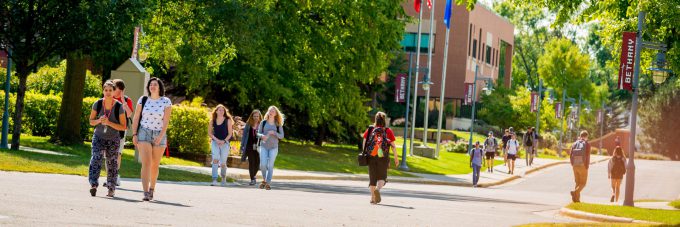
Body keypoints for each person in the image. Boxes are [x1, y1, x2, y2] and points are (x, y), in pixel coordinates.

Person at [132, 77, 173, 201]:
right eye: (151, 85)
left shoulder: (166, 101)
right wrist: (134, 134)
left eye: (155, 84)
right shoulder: (143, 100)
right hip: (144, 132)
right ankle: (145, 192)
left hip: (159, 134)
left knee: (155, 164)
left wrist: (160, 136)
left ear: (159, 87)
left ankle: (152, 189)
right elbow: (136, 117)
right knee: (146, 163)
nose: (152, 86)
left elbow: (166, 120)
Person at [88, 80, 127, 197]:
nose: (108, 92)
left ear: (114, 91)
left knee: (112, 163)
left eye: (110, 90)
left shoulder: (119, 107)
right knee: (96, 157)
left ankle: (111, 187)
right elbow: (91, 121)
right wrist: (99, 120)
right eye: (106, 90)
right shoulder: (98, 104)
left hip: (113, 139)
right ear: (103, 91)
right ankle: (93, 185)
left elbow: (123, 126)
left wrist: (109, 122)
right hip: (98, 137)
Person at [362, 112, 399, 204]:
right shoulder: (388, 131)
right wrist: (396, 158)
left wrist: (366, 153)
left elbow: (364, 143)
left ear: (375, 119)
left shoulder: (370, 129)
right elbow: (393, 146)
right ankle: (378, 189)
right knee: (382, 178)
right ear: (384, 120)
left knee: (372, 178)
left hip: (371, 156)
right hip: (383, 157)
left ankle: (372, 198)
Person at [104, 79, 134, 187]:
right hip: (108, 129)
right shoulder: (108, 98)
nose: (113, 89)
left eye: (115, 88)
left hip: (121, 130)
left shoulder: (127, 100)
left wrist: (123, 102)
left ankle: (115, 177)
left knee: (117, 153)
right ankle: (109, 177)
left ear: (121, 90)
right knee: (107, 153)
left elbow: (129, 114)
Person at [257, 106, 285, 190]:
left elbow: (282, 136)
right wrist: (262, 136)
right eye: (270, 110)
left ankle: (268, 182)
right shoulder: (263, 122)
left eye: (273, 111)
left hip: (273, 147)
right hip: (264, 146)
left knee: (270, 165)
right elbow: (258, 133)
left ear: (276, 114)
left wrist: (274, 133)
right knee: (263, 164)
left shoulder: (277, 124)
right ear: (268, 112)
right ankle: (264, 180)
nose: (271, 112)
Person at [208, 104, 234, 186]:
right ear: (216, 111)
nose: (221, 111)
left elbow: (230, 134)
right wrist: (217, 140)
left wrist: (223, 141)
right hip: (215, 142)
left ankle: (223, 178)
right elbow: (209, 133)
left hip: (225, 143)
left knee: (223, 162)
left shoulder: (228, 120)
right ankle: (214, 179)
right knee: (215, 159)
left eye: (223, 110)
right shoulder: (212, 121)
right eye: (219, 110)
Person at [568, 130, 591, 203]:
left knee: (577, 183)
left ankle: (576, 199)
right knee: (583, 183)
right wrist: (586, 166)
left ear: (580, 136)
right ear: (586, 136)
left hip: (575, 165)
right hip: (583, 165)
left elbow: (570, 154)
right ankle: (575, 192)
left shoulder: (574, 143)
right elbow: (587, 156)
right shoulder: (587, 144)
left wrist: (572, 163)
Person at [240, 110, 262, 186]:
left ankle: (254, 176)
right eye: (254, 116)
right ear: (252, 116)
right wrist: (242, 145)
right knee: (251, 162)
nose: (256, 118)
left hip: (259, 146)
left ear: (259, 117)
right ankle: (252, 179)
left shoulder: (262, 125)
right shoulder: (248, 124)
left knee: (257, 163)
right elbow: (244, 135)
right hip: (249, 146)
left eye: (257, 116)